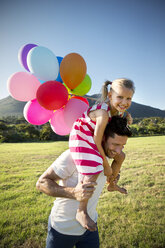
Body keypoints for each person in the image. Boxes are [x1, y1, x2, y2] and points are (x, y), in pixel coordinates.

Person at [36, 116, 132, 248]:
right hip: (62, 228)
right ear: (102, 138)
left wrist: (113, 181)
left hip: (90, 227)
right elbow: (41, 183)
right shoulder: (73, 156)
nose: (118, 150)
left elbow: (117, 161)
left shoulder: (106, 158)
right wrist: (74, 193)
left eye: (122, 145)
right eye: (115, 144)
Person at [69, 78, 135, 231]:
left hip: (93, 136)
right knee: (93, 168)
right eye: (120, 97)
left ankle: (111, 185)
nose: (124, 102)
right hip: (81, 136)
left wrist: (126, 117)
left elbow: (117, 121)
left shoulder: (118, 111)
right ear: (110, 95)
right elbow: (97, 141)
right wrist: (106, 166)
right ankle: (81, 210)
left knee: (121, 156)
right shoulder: (103, 114)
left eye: (129, 98)